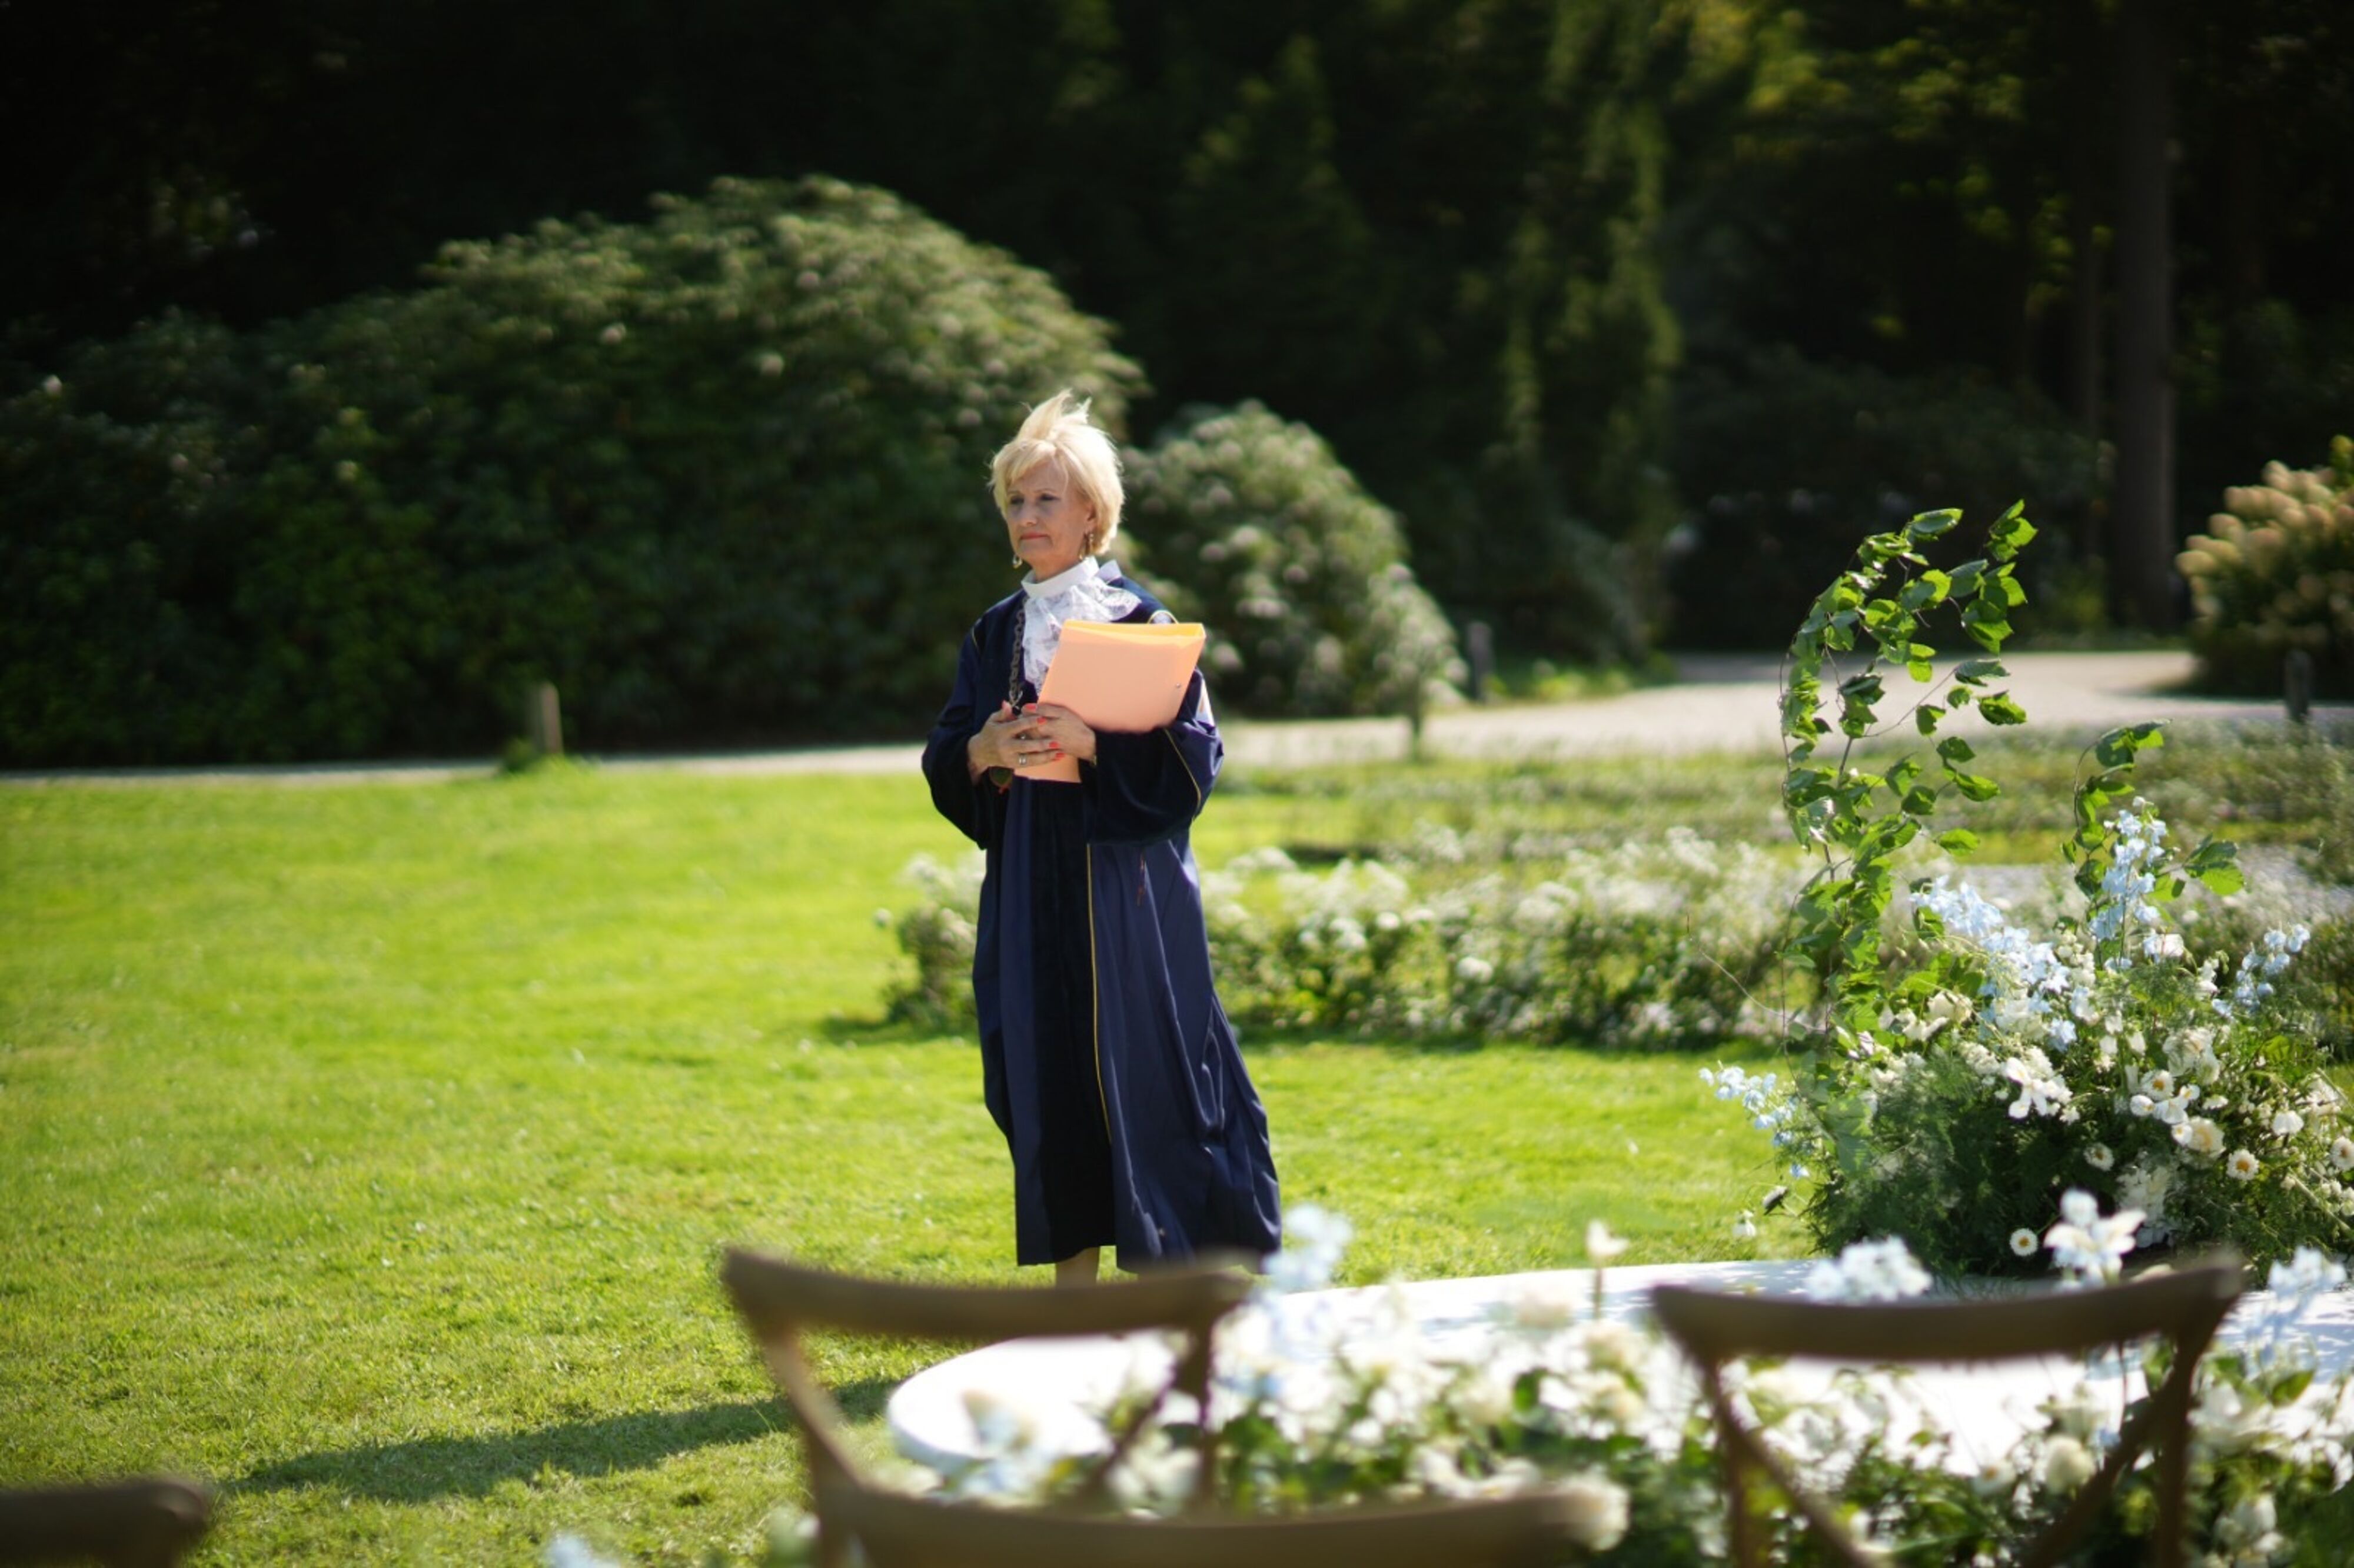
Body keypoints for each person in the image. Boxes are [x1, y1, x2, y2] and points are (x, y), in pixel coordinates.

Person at [921, 391, 1281, 1286]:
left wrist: (1095, 746)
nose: (1027, 516)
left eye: (1046, 499)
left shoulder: (1145, 624)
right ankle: (1073, 1306)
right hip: (1029, 888)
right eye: (1015, 501)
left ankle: (1170, 1291)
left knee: (1151, 1075)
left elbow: (1194, 762)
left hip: (1129, 895)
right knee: (1044, 1079)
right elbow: (948, 755)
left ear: (1091, 513)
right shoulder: (994, 633)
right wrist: (981, 752)